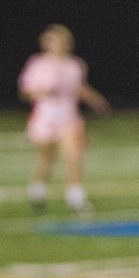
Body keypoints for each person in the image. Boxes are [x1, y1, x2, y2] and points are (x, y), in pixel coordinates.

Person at [18, 25, 109, 215]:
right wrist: (42, 90)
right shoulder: (38, 64)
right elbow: (24, 92)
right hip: (45, 116)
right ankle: (38, 191)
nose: (59, 44)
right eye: (55, 41)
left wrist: (95, 100)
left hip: (68, 116)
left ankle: (75, 197)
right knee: (46, 159)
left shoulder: (75, 65)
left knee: (73, 156)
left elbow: (79, 88)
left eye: (62, 41)